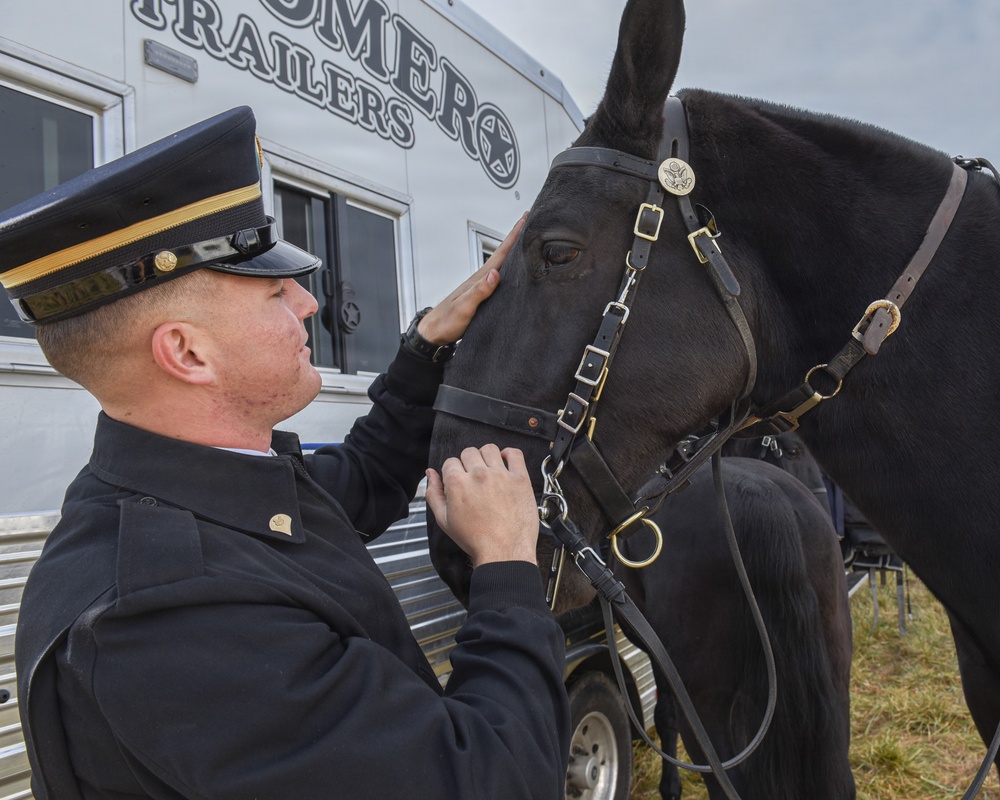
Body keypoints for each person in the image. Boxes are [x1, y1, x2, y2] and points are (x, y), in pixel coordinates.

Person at [3, 107, 569, 799]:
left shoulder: (206, 487)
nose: (308, 302)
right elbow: (488, 781)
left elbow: (359, 479)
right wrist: (506, 563)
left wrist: (426, 347)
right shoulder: (175, 620)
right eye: (274, 290)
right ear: (186, 352)